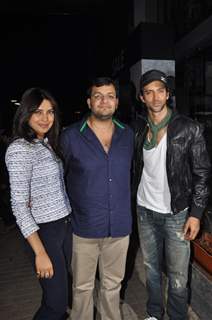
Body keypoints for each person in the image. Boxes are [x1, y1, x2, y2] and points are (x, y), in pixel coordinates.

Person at [133, 69, 211, 320]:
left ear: (168, 94)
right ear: (142, 98)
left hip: (176, 213)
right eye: (148, 92)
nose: (155, 97)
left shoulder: (189, 128)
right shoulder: (138, 129)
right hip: (145, 210)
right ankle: (154, 313)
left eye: (160, 91)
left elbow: (202, 174)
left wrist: (196, 214)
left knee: (178, 276)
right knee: (151, 268)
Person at [60, 77, 134, 320]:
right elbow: (59, 177)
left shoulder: (128, 135)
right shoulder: (70, 136)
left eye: (110, 96)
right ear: (89, 101)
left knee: (112, 286)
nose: (104, 101)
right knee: (82, 288)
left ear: (117, 101)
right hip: (84, 228)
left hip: (120, 227)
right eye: (98, 96)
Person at [5, 88, 72, 320]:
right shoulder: (19, 149)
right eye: (38, 112)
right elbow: (19, 207)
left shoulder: (46, 143)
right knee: (55, 304)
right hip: (44, 233)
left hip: (63, 225)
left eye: (50, 112)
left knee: (60, 296)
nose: (45, 118)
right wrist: (40, 252)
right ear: (25, 114)